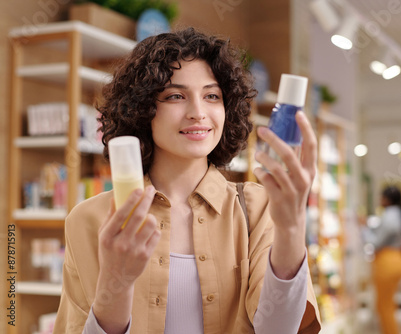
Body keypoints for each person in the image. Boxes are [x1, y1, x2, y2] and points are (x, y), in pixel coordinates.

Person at [53, 27, 321, 333]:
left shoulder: (259, 208)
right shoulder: (89, 220)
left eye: (211, 95)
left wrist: (290, 230)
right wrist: (117, 281)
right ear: (143, 109)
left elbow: (276, 329)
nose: (198, 112)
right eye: (175, 96)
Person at [361, 185, 401, 334]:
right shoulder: (400, 213)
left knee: (384, 306)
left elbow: (376, 242)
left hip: (387, 262)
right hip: (398, 259)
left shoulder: (390, 215)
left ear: (387, 199)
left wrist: (363, 229)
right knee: (387, 303)